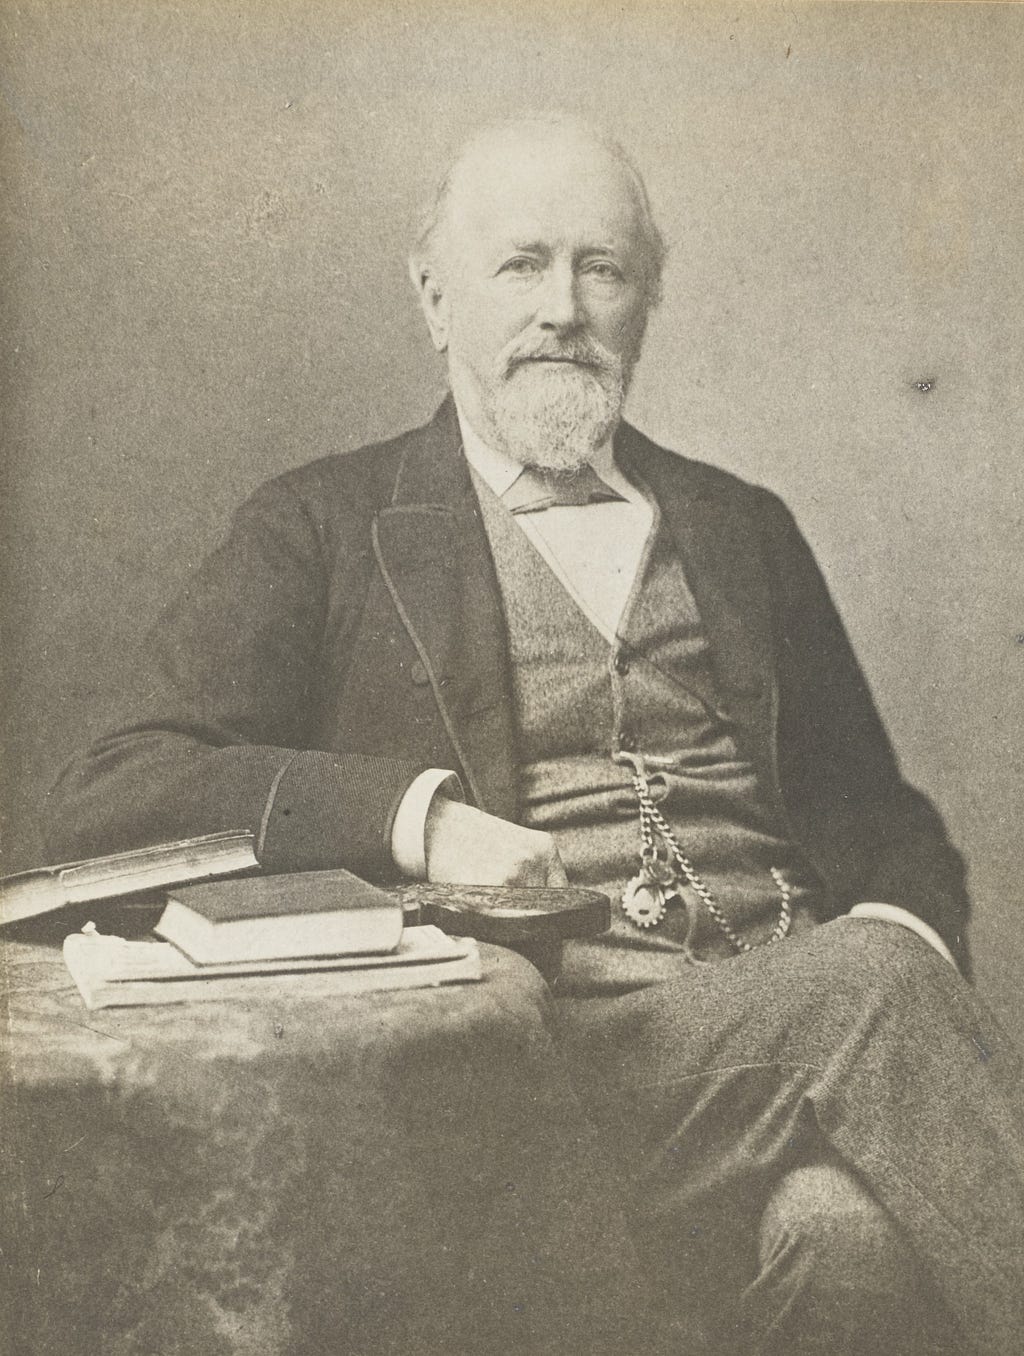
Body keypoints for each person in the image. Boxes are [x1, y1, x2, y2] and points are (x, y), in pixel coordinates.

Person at [46, 115, 1023, 1354]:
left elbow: (887, 830)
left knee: (849, 1240)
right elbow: (110, 789)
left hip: (799, 1045)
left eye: (601, 269)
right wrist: (422, 821)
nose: (563, 307)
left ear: (645, 302)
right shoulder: (326, 525)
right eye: (520, 266)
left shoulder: (741, 527)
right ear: (434, 297)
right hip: (545, 1066)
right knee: (878, 986)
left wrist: (887, 949)